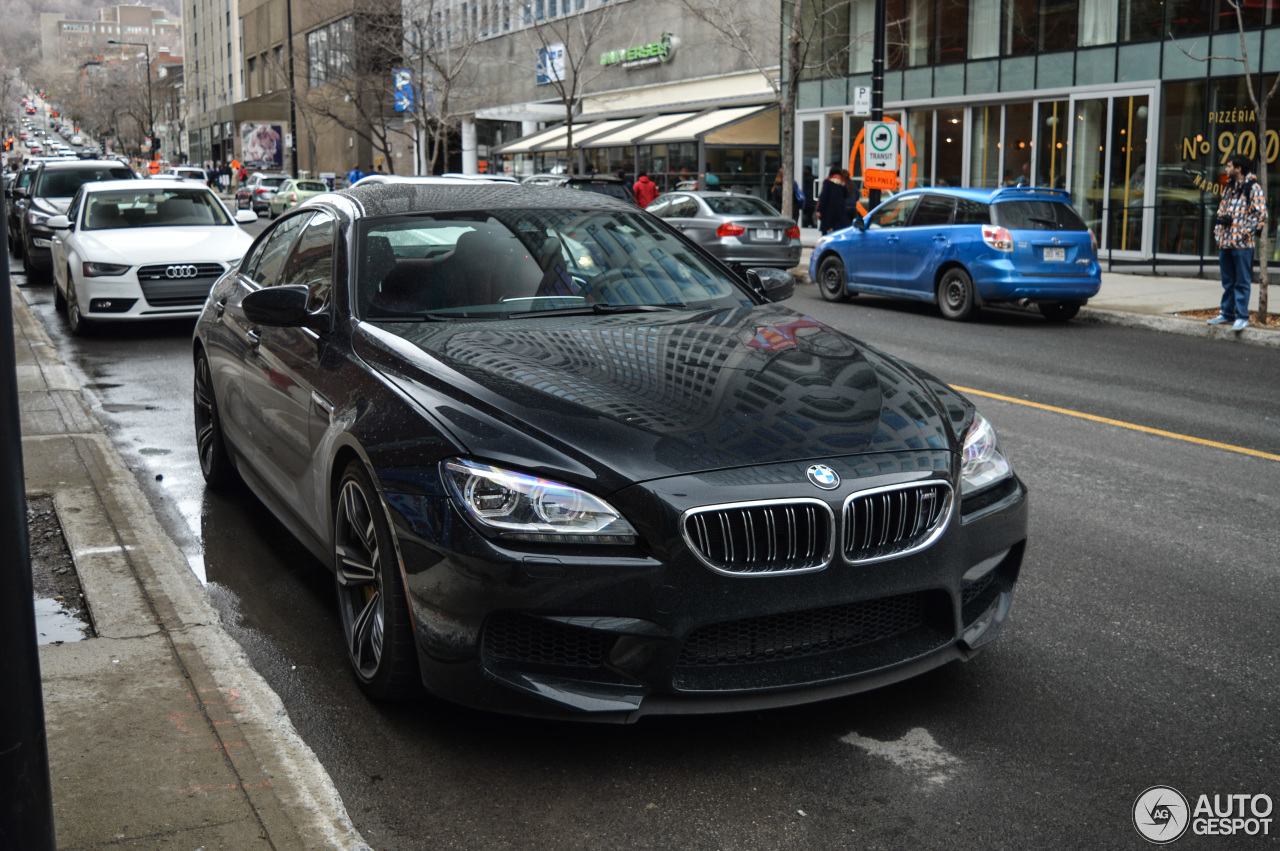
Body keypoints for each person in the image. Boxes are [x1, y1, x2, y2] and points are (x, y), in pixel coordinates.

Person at [1210, 153, 1268, 331]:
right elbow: (1222, 211)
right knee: (1228, 281)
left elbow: (1261, 215)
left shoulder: (1253, 187)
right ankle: (1227, 313)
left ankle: (1242, 316)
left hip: (1242, 246)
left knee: (1241, 282)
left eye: (1228, 166)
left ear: (1238, 168)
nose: (1226, 169)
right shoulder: (1229, 187)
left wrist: (1243, 233)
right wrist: (1219, 232)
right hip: (1226, 244)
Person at [816, 167, 851, 235]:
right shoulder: (842, 183)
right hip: (840, 215)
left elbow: (824, 197)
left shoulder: (827, 183)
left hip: (828, 214)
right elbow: (846, 195)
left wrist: (819, 210)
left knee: (826, 235)